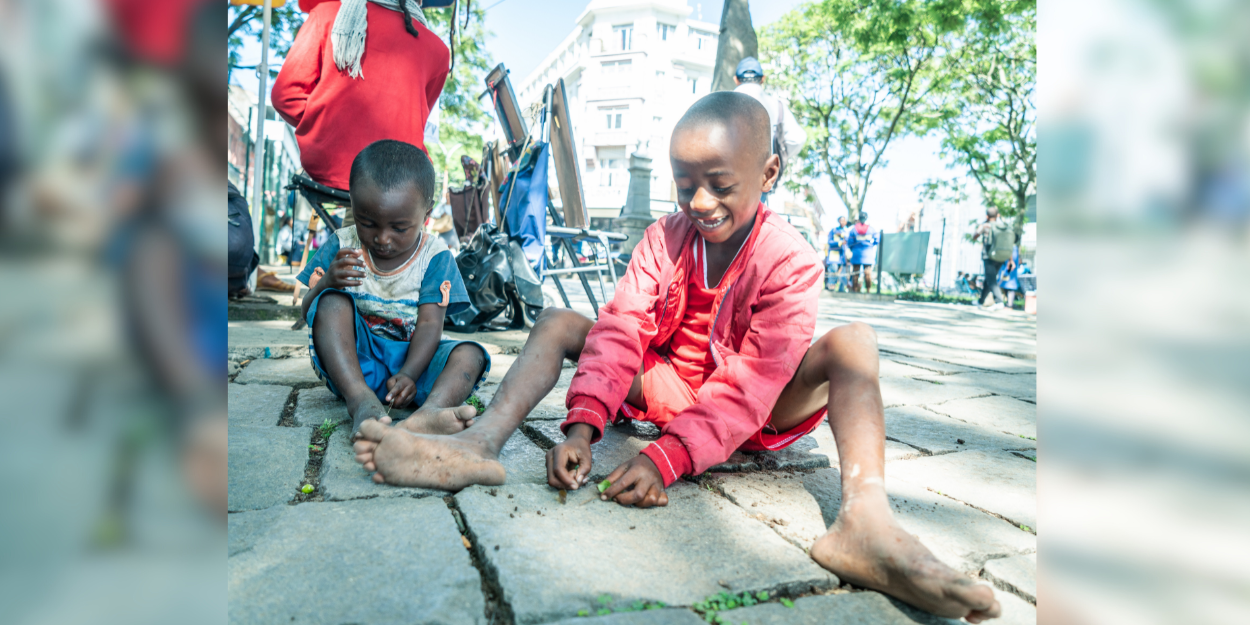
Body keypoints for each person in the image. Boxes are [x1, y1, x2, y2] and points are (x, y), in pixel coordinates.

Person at [350, 93, 1001, 623]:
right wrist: (582, 426)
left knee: (854, 342)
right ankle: (480, 442)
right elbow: (618, 331)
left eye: (719, 185)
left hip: (761, 407)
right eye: (684, 184)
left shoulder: (792, 260)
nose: (699, 203)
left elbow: (751, 385)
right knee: (560, 321)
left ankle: (868, 522)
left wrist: (668, 455)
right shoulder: (665, 237)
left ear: (768, 174)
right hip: (664, 385)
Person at [295, 139, 491, 437]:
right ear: (353, 205)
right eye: (367, 223)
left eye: (399, 228)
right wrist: (326, 282)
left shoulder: (435, 257)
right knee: (330, 301)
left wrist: (410, 373)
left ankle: (432, 411)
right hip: (356, 363)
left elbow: (430, 324)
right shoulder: (341, 245)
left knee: (470, 353)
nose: (383, 239)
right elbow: (307, 312)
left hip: (418, 362)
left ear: (426, 215)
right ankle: (360, 400)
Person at [272, 0, 450, 226]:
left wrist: (327, 130)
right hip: (399, 179)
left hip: (331, 167)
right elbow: (417, 123)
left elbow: (285, 96)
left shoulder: (327, 14)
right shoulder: (439, 51)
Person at [732, 57, 806, 205]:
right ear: (763, 79)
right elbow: (798, 138)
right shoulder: (777, 106)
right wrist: (775, 155)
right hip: (760, 177)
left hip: (724, 177)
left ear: (736, 79)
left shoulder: (720, 102)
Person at [970, 206, 1020, 311]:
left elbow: (974, 236)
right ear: (998, 215)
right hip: (1002, 257)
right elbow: (1009, 244)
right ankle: (981, 301)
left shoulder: (985, 225)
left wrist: (980, 227)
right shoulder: (1003, 226)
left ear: (987, 216)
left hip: (988, 256)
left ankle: (999, 301)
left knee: (991, 279)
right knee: (989, 279)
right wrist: (1010, 260)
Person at [846, 212, 879, 292]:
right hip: (868, 253)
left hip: (856, 253)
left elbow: (849, 242)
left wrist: (853, 247)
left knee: (855, 272)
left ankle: (854, 289)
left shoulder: (854, 229)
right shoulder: (871, 229)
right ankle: (868, 290)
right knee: (868, 272)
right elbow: (877, 239)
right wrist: (870, 245)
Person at [825, 215, 849, 291]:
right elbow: (829, 241)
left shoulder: (846, 231)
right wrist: (840, 242)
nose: (842, 222)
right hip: (834, 254)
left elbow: (848, 240)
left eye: (844, 220)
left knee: (842, 272)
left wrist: (842, 235)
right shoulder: (834, 230)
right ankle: (831, 286)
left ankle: (841, 288)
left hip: (842, 255)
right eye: (841, 220)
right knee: (833, 269)